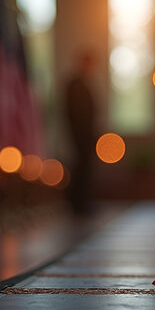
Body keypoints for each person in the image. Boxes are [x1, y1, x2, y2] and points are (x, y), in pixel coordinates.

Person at [65, 52, 97, 214]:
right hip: (79, 135)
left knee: (86, 169)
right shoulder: (75, 85)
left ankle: (84, 202)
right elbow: (74, 112)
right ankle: (77, 204)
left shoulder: (84, 84)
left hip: (87, 135)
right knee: (80, 168)